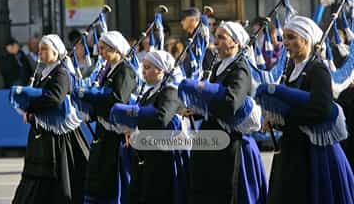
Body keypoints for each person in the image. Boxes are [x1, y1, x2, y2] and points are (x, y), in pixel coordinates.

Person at [267, 15, 354, 203]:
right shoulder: (290, 69)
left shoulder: (317, 70)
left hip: (314, 152)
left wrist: (284, 117)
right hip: (291, 148)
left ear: (305, 40)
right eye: (284, 37)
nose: (285, 42)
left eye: (291, 37)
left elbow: (320, 109)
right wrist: (274, 120)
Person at [186, 21, 268, 203]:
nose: (215, 42)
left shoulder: (240, 69)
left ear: (236, 42)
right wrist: (194, 109)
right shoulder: (217, 67)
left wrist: (204, 99)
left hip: (229, 142)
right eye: (216, 37)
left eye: (221, 37)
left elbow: (231, 104)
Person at [12, 34, 89, 204]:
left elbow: (54, 97)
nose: (40, 52)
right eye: (39, 49)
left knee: (58, 176)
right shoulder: (43, 74)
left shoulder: (61, 73)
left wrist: (31, 106)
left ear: (56, 52)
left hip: (58, 138)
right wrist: (27, 107)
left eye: (45, 49)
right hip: (42, 135)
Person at [111, 50, 187, 204]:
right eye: (143, 67)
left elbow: (161, 119)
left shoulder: (170, 91)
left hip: (161, 158)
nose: (143, 72)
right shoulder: (150, 92)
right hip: (145, 156)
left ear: (160, 70)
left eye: (147, 68)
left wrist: (135, 120)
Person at [78, 31, 138, 203]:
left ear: (116, 49)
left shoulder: (125, 70)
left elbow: (119, 99)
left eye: (104, 49)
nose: (101, 53)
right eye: (100, 48)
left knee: (114, 177)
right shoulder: (107, 70)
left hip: (117, 133)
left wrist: (93, 96)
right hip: (103, 131)